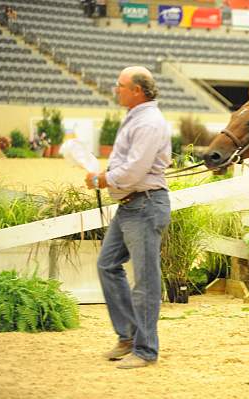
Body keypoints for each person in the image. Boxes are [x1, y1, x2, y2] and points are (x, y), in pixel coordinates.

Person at [85, 66, 172, 369]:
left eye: (120, 85)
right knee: (107, 264)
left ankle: (146, 350)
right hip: (131, 206)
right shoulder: (137, 117)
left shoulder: (148, 123)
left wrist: (102, 180)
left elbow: (135, 170)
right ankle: (128, 335)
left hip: (144, 206)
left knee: (145, 281)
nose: (115, 89)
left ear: (138, 90)